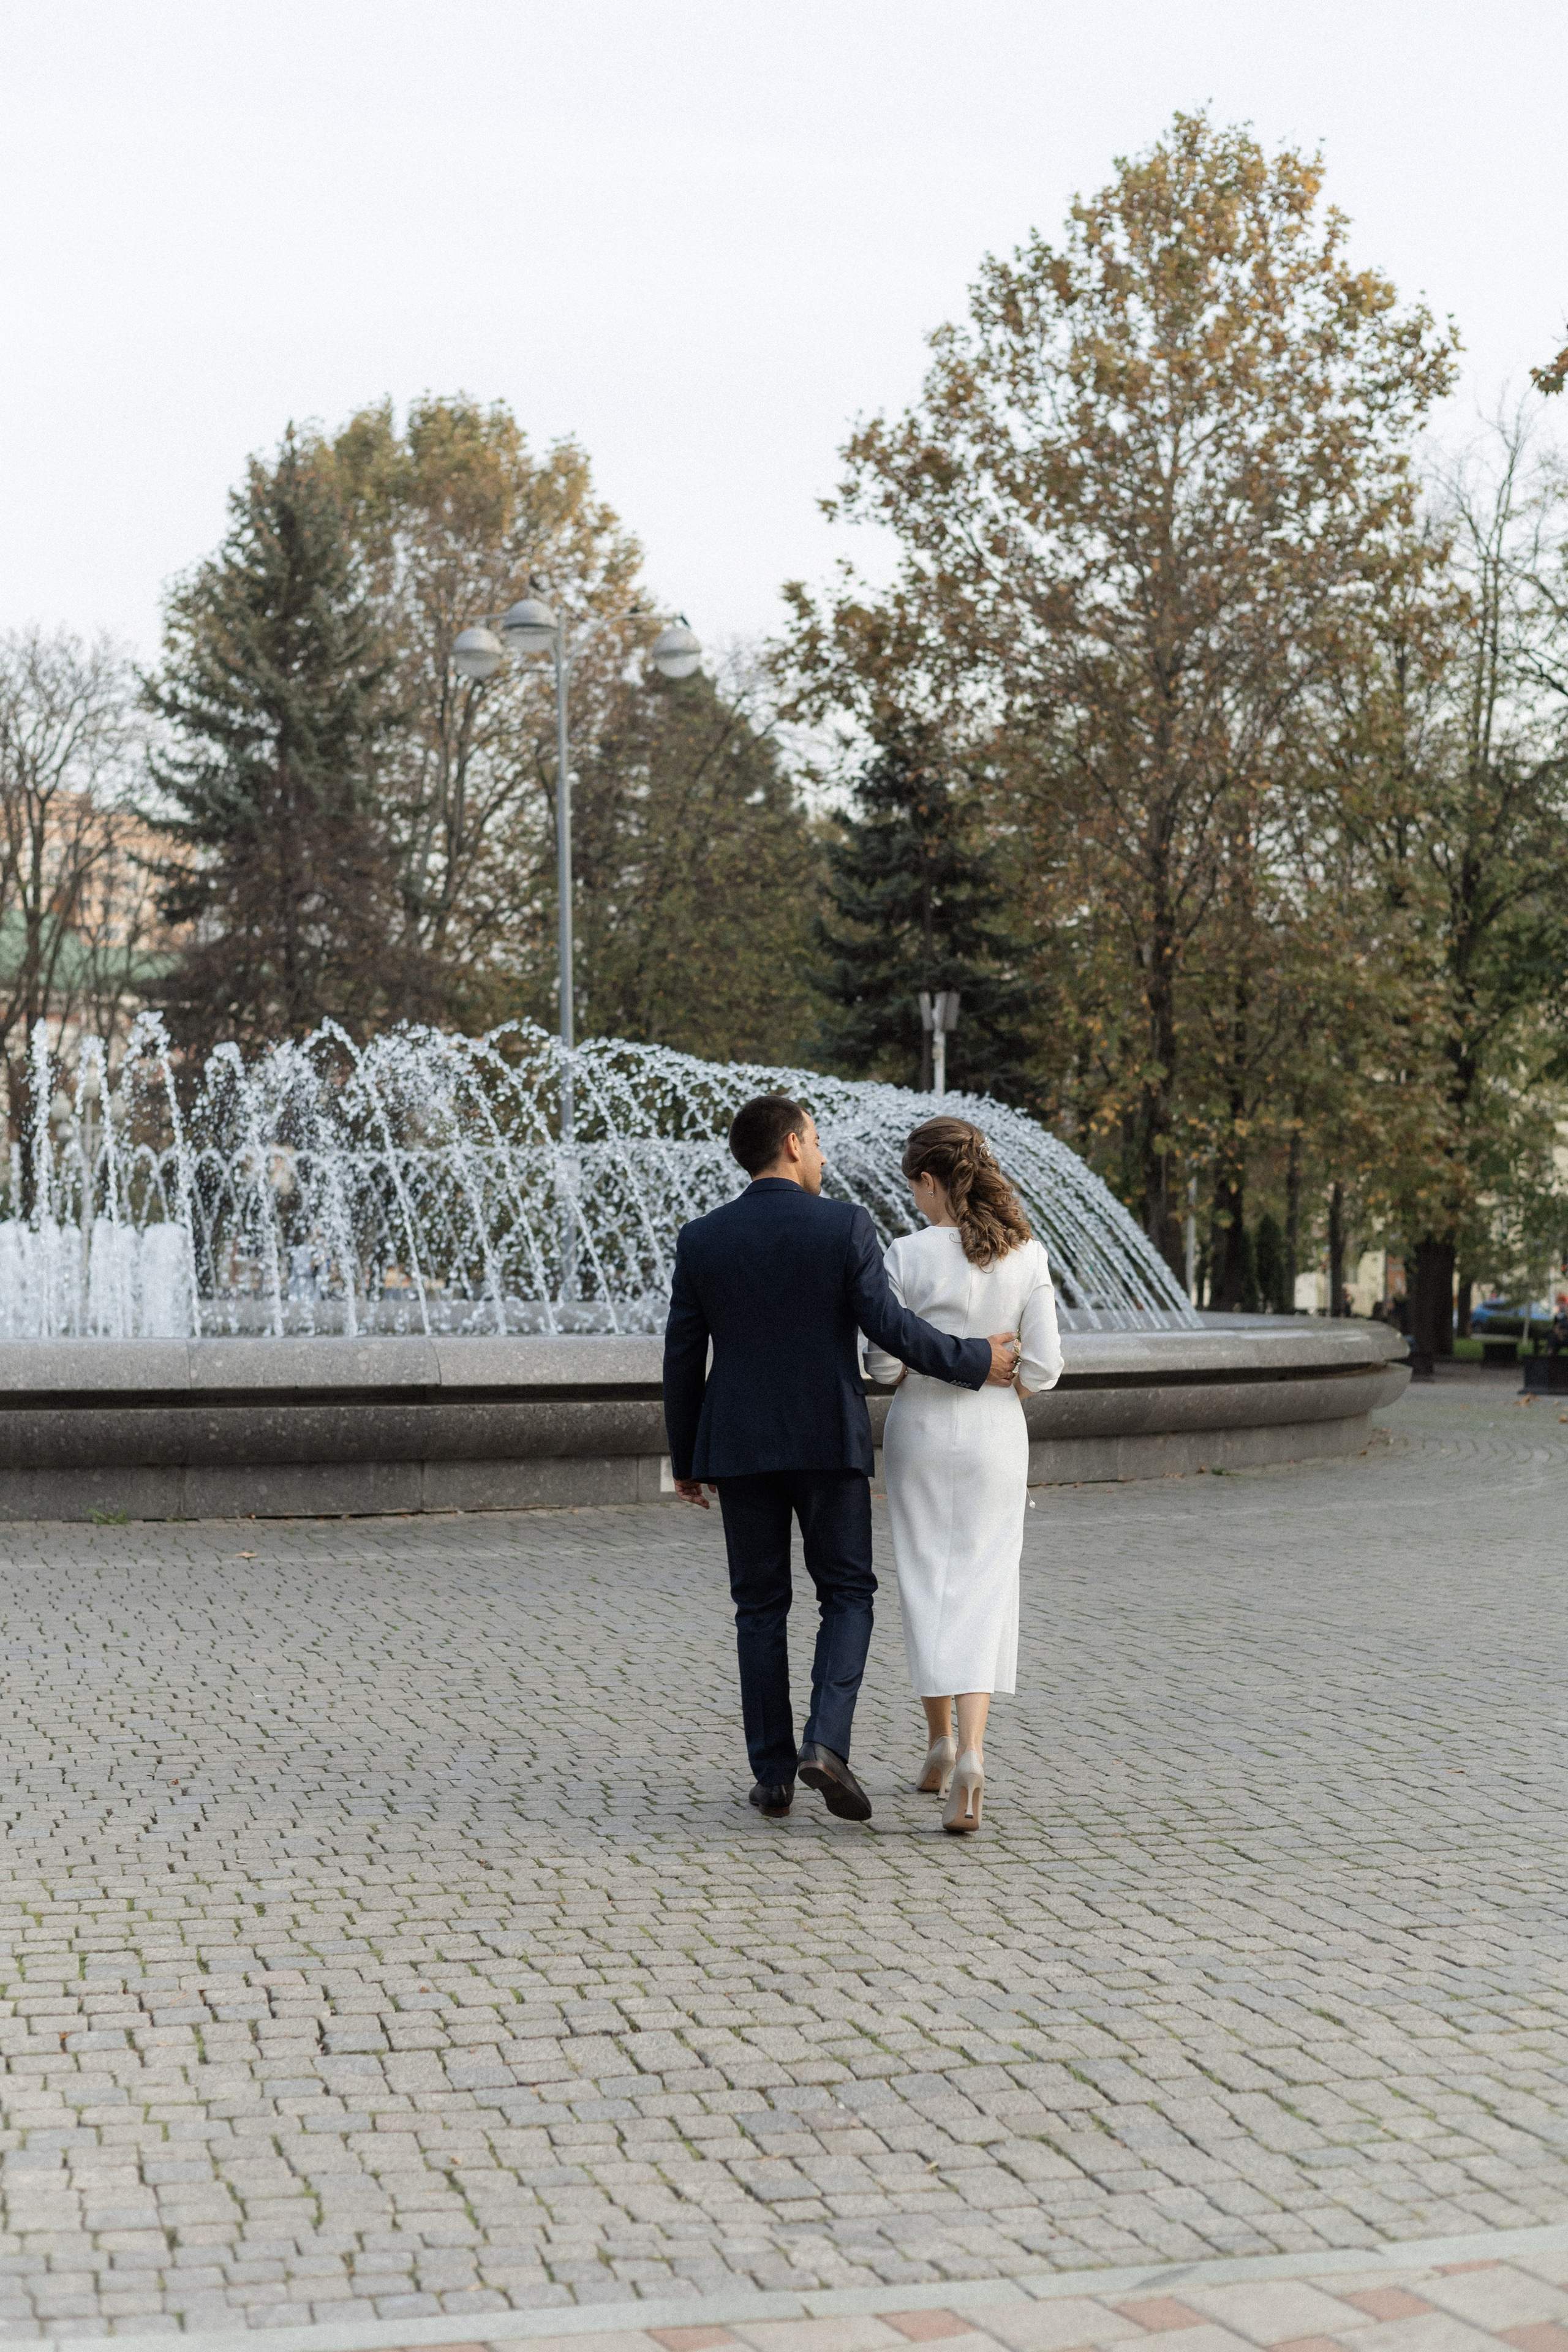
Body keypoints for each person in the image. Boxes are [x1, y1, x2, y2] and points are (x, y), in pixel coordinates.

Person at [663, 1094, 1022, 1825]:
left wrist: (686, 1458)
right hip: (827, 1443)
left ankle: (771, 1776)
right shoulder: (843, 1226)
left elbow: (680, 1357)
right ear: (793, 1144)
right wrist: (974, 1358)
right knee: (847, 1595)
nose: (824, 1156)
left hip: (737, 1447)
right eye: (818, 1142)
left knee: (758, 1608)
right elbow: (890, 1329)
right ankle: (825, 1744)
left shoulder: (702, 1238)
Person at [863, 1117, 1063, 1835]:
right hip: (994, 1434)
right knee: (983, 1586)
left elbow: (882, 1362)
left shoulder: (905, 1255)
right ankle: (973, 1755)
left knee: (926, 1584)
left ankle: (939, 1743)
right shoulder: (1027, 1255)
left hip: (921, 1429)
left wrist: (931, 1356)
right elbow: (1044, 1367)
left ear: (928, 1180)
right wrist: (1001, 1376)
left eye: (913, 1185)